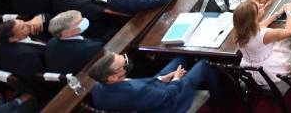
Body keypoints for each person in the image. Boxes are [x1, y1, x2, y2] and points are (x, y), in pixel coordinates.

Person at [88, 51, 222, 113]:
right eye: (123, 66)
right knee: (205, 64)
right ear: (111, 77)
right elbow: (168, 95)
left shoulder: (97, 87)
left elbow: (140, 84)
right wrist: (176, 78)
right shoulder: (136, 91)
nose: (127, 65)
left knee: (181, 57)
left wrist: (161, 79)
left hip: (153, 91)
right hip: (169, 103)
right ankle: (220, 100)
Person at [232, 0, 291, 91]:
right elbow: (290, 31)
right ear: (254, 17)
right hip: (268, 71)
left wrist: (277, 14)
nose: (262, 5)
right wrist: (289, 13)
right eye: (259, 7)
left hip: (249, 69)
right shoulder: (265, 34)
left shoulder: (239, 32)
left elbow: (260, 25)